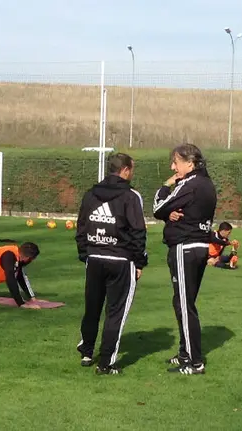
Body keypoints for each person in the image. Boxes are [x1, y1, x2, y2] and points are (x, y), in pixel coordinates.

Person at [74, 152, 147, 375]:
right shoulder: (131, 196)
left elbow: (82, 227)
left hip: (95, 258)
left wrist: (85, 254)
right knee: (116, 311)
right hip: (120, 259)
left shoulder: (90, 194)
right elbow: (137, 231)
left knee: (92, 307)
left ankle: (87, 351)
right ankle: (106, 363)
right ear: (125, 170)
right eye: (131, 169)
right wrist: (139, 261)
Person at [153, 143, 217, 376]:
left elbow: (158, 207)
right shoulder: (207, 183)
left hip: (185, 247)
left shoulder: (190, 184)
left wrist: (165, 185)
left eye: (176, 162)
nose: (173, 167)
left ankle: (194, 361)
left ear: (190, 164)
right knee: (184, 302)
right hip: (200, 246)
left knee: (183, 304)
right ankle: (185, 352)